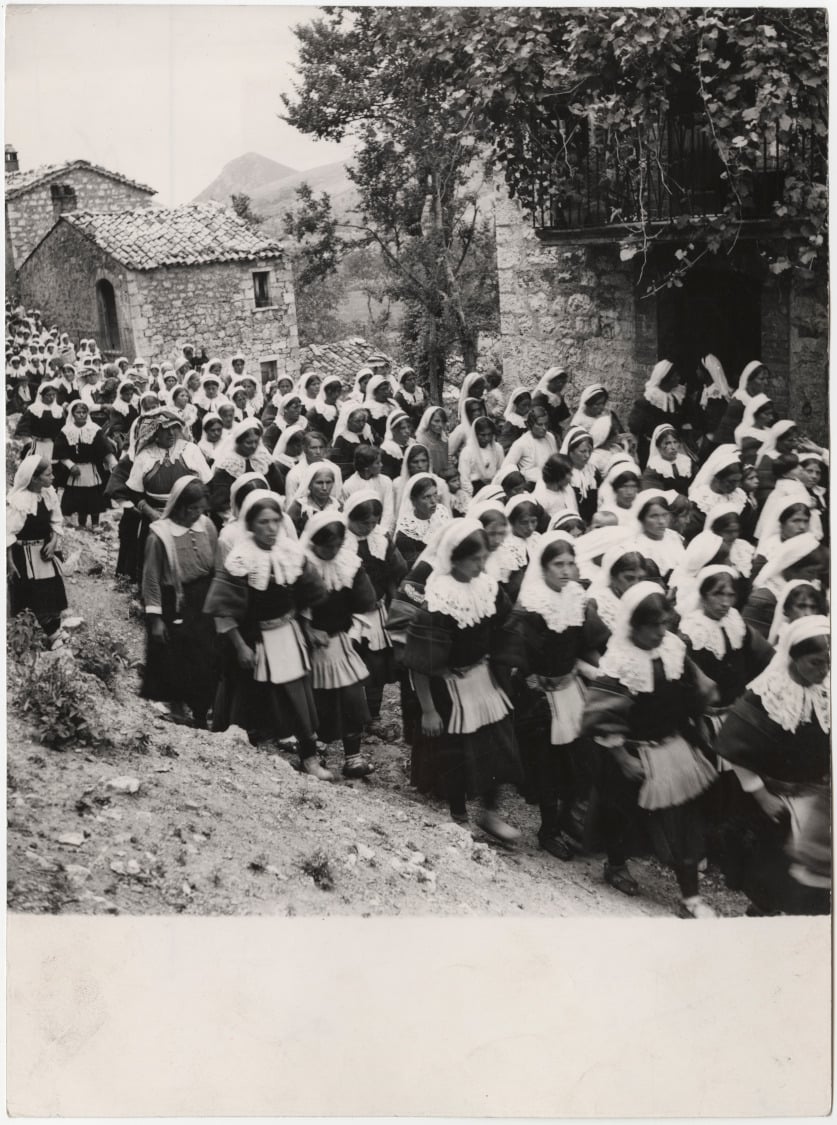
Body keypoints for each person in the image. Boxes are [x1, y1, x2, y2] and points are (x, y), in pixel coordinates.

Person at [582, 582, 719, 916]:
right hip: (631, 752)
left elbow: (694, 689)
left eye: (664, 624)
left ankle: (690, 898)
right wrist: (622, 757)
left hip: (671, 747)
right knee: (622, 816)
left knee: (682, 819)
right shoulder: (620, 661)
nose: (661, 632)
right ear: (634, 626)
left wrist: (700, 718)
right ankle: (615, 865)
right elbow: (602, 715)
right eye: (652, 626)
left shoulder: (672, 649)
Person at [403, 518, 522, 838]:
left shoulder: (488, 587)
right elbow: (419, 660)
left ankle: (490, 812)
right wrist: (428, 709)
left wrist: (501, 663)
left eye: (484, 558)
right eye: (474, 559)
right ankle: (458, 815)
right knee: (457, 753)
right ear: (455, 557)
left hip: (482, 678)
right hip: (450, 685)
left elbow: (505, 625)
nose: (481, 565)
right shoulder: (440, 600)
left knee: (498, 744)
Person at [204, 491, 332, 777]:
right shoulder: (240, 558)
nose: (271, 528)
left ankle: (309, 758)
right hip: (253, 638)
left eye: (276, 520)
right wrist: (239, 646)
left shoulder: (291, 552)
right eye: (263, 522)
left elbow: (309, 594)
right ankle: (237, 758)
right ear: (250, 525)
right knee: (245, 697)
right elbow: (222, 609)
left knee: (297, 697)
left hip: (286, 633)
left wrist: (307, 625)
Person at [714, 616, 830, 915]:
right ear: (793, 656)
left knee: (811, 881)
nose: (824, 671)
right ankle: (763, 914)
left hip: (815, 799)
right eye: (816, 663)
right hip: (772, 799)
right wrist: (760, 794)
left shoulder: (826, 691)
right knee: (771, 869)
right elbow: (733, 748)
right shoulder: (768, 694)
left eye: (828, 663)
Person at [503, 531, 608, 858]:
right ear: (544, 568)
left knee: (581, 762)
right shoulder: (533, 604)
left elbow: (590, 639)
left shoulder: (577, 598)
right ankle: (548, 830)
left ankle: (566, 820)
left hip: (570, 690)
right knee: (546, 766)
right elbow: (514, 649)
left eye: (570, 564)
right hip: (539, 697)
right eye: (557, 565)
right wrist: (528, 677)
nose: (565, 571)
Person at [299, 512, 378, 778]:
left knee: (352, 698)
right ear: (313, 543)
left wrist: (354, 632)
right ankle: (315, 754)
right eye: (326, 546)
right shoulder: (302, 565)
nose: (332, 551)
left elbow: (366, 603)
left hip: (340, 641)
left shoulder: (349, 565)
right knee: (318, 702)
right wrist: (307, 629)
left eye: (336, 545)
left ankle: (353, 757)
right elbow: (294, 606)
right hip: (311, 646)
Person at [141, 477, 218, 728]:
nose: (197, 514)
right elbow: (151, 578)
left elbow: (215, 565)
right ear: (180, 506)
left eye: (201, 508)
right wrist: (155, 620)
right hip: (174, 598)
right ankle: (176, 708)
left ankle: (200, 710)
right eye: (192, 508)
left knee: (204, 656)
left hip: (203, 598)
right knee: (175, 657)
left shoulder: (206, 526)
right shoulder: (160, 535)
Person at [344, 490, 408, 725]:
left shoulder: (381, 538)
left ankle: (373, 715)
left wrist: (392, 606)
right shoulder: (338, 539)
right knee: (348, 666)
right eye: (363, 523)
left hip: (376, 613)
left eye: (373, 522)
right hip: (348, 614)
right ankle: (349, 718)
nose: (368, 527)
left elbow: (396, 573)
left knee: (376, 665)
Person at [7, 455, 68, 647]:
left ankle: (53, 633)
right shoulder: (19, 501)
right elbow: (7, 533)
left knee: (51, 590)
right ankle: (23, 637)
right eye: (48, 474)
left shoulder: (49, 493)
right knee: (30, 593)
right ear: (34, 478)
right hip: (23, 556)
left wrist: (53, 542)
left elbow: (56, 521)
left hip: (44, 552)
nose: (52, 478)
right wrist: (9, 563)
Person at [53, 401, 116, 529]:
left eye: (84, 412)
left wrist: (113, 464)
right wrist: (70, 465)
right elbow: (60, 452)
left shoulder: (94, 430)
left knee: (94, 496)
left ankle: (95, 523)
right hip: (76, 470)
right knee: (80, 497)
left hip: (91, 469)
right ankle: (81, 523)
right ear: (72, 414)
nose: (81, 415)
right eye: (78, 412)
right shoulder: (66, 431)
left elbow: (105, 448)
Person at [206, 419, 272, 522]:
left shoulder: (262, 457)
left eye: (256, 441)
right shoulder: (227, 465)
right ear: (238, 442)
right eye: (249, 442)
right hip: (236, 517)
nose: (254, 446)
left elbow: (278, 487)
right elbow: (220, 504)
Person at [628, 360, 688, 467]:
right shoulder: (648, 401)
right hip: (650, 449)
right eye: (675, 375)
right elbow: (634, 426)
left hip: (675, 448)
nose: (678, 378)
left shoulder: (677, 397)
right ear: (666, 378)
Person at [394, 472, 451, 567]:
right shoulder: (406, 533)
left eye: (435, 494)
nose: (433, 501)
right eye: (426, 497)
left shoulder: (441, 513)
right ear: (413, 501)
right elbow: (415, 566)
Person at [341, 444, 396, 535]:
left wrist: (382, 532)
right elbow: (349, 513)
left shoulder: (385, 481)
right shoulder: (349, 485)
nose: (381, 465)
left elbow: (388, 510)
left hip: (381, 530)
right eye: (377, 463)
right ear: (366, 467)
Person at [714, 360, 770, 446]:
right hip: (729, 447)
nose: (766, 382)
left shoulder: (756, 399)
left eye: (767, 379)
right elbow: (728, 436)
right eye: (761, 379)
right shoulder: (739, 402)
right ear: (749, 381)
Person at [500, 406, 558, 483]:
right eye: (540, 424)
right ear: (530, 425)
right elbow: (506, 467)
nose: (544, 428)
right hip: (531, 485)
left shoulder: (550, 437)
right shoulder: (521, 443)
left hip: (552, 482)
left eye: (546, 424)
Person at [15, 381, 65, 463]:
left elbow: (63, 428)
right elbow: (23, 428)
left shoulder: (59, 410)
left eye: (53, 395)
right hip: (36, 445)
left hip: (52, 445)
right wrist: (29, 443)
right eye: (48, 395)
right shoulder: (33, 409)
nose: (51, 398)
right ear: (41, 395)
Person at [641, 424, 694, 495]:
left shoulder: (686, 462)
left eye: (675, 442)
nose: (673, 447)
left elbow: (698, 483)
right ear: (658, 446)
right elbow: (651, 494)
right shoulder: (654, 468)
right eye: (668, 443)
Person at [458, 417, 504, 498]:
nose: (486, 438)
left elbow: (501, 469)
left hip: (494, 485)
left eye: (489, 434)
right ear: (475, 434)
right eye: (483, 435)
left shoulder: (497, 448)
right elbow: (464, 479)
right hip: (475, 488)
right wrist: (473, 494)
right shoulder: (467, 452)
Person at [560, 427, 598, 522]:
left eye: (590, 451)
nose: (587, 455)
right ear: (570, 452)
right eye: (583, 451)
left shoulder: (593, 472)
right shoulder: (562, 474)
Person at [330, 404, 374, 480]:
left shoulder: (367, 432)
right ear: (348, 421)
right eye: (357, 421)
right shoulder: (342, 439)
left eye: (363, 421)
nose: (361, 424)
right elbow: (340, 467)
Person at [531, 366, 571, 436]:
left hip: (556, 431)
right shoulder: (540, 397)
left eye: (563, 383)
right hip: (543, 431)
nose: (561, 385)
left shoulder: (558, 397)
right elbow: (538, 419)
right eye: (559, 382)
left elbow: (565, 415)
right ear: (551, 381)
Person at [305, 374, 343, 442]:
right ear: (326, 391)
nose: (336, 394)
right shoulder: (317, 410)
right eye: (333, 391)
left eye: (338, 391)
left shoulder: (341, 407)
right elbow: (312, 433)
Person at [414, 405, 450, 476]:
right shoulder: (422, 440)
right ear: (428, 421)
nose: (440, 425)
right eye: (436, 421)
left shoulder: (444, 439)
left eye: (443, 422)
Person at [379, 410, 415, 479]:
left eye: (408, 427)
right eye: (403, 428)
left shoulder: (412, 443)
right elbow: (387, 477)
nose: (407, 431)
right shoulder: (388, 451)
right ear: (393, 430)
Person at [498, 387, 532, 453]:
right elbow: (504, 446)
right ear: (515, 405)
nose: (527, 408)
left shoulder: (527, 419)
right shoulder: (512, 422)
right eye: (524, 405)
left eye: (529, 405)